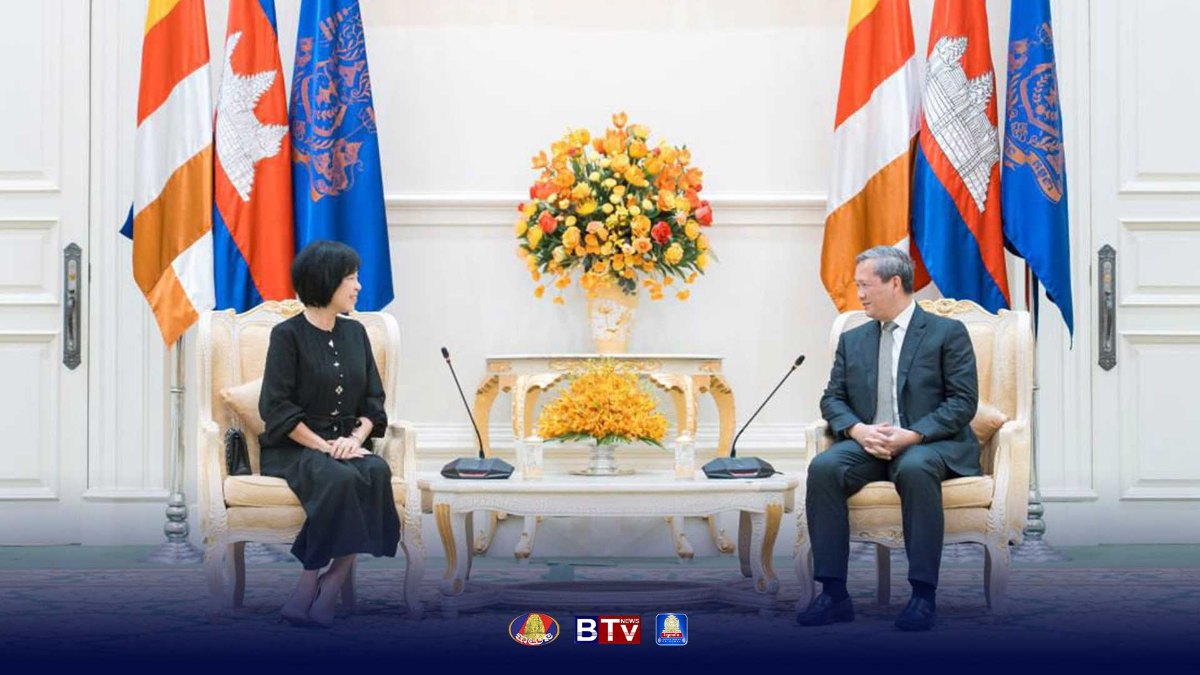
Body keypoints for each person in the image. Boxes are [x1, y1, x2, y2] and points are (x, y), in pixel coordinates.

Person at [797, 246, 979, 631]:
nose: (859, 294)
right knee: (824, 467)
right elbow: (832, 398)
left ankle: (922, 596)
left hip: (928, 443)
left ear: (895, 283)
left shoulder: (947, 333)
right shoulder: (854, 339)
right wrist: (858, 430)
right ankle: (834, 594)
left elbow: (963, 402)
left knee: (914, 468)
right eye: (857, 286)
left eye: (866, 285)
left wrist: (912, 434)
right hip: (869, 444)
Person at [258, 240, 399, 628]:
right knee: (340, 480)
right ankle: (308, 586)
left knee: (376, 471)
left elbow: (373, 400)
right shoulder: (287, 335)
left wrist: (354, 441)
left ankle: (331, 583)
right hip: (295, 446)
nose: (358, 286)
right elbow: (276, 408)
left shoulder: (356, 333)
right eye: (351, 278)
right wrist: (325, 447)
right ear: (326, 281)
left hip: (346, 444)